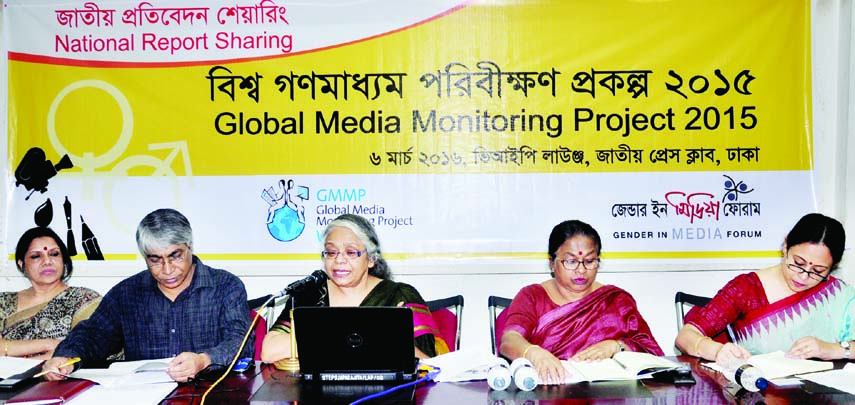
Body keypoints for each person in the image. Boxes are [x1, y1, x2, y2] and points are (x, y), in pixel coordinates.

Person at [42, 208, 253, 382]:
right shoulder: (126, 293)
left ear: (190, 247)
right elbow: (94, 335)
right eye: (155, 260)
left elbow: (241, 342)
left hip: (211, 393)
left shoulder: (225, 286)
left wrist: (204, 360)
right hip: (143, 396)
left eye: (175, 256)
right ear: (144, 256)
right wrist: (66, 357)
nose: (167, 269)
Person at [260, 214, 447, 363]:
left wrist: (394, 341)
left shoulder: (400, 296)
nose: (339, 260)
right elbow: (268, 352)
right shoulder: (310, 294)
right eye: (331, 252)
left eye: (350, 252)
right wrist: (361, 337)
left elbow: (430, 364)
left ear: (371, 259)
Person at [675, 213, 854, 366]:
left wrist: (834, 349)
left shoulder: (838, 294)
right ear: (785, 247)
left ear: (832, 267)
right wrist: (717, 351)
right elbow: (686, 336)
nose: (803, 276)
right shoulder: (747, 289)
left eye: (818, 271)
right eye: (798, 263)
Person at [500, 220, 663, 384]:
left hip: (610, 394)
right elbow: (509, 340)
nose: (581, 270)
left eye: (589, 261)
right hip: (549, 391)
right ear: (552, 263)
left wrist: (616, 346)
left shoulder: (616, 300)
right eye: (570, 261)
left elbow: (651, 350)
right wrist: (533, 353)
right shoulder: (532, 296)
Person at [1, 227, 101, 359]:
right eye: (36, 256)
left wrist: (9, 350)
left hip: (66, 378)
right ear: (22, 264)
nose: (47, 261)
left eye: (54, 254)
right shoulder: (3, 302)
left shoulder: (84, 300)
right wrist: (50, 344)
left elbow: (84, 349)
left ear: (64, 260)